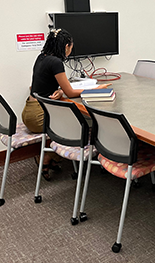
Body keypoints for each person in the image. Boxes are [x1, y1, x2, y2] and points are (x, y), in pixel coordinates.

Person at [22, 28, 111, 180]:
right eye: (71, 47)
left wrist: (60, 91)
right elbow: (70, 92)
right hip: (38, 116)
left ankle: (53, 158)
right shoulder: (56, 62)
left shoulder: (42, 57)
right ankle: (47, 158)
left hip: (29, 111)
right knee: (80, 125)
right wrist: (96, 88)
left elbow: (40, 85)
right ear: (66, 47)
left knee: (73, 121)